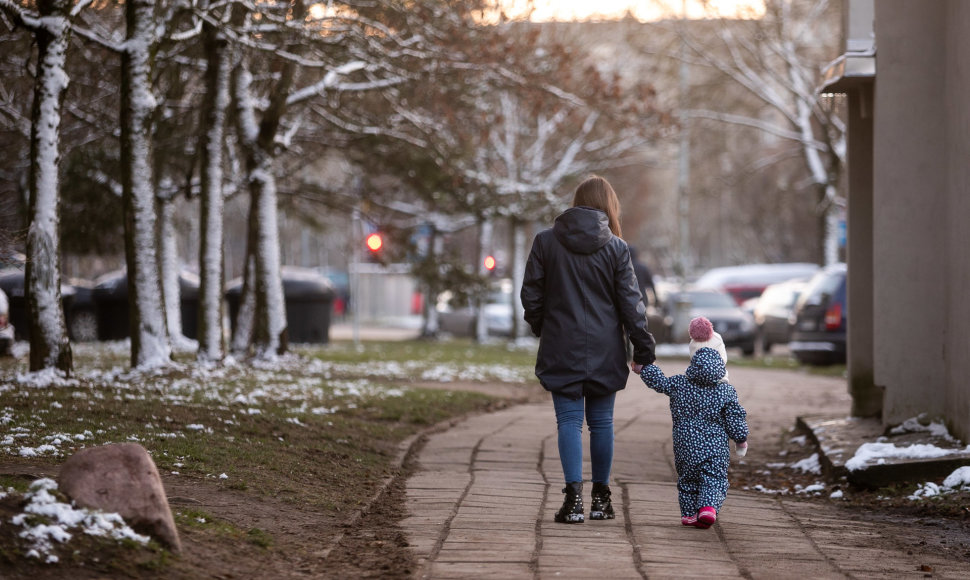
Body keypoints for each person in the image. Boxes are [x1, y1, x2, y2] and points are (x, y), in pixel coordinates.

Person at [521, 175, 656, 524]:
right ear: (609, 205)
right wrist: (643, 349)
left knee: (568, 421)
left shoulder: (546, 242)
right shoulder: (617, 248)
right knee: (602, 423)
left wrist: (543, 327)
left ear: (576, 201)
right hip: (605, 349)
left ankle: (573, 501)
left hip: (560, 345)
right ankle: (601, 498)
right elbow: (632, 304)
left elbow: (531, 295)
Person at [632, 348, 748, 528]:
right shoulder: (726, 391)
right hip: (715, 448)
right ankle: (707, 508)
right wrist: (741, 438)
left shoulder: (680, 383)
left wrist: (645, 368)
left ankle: (689, 514)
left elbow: (660, 382)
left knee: (688, 479)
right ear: (720, 369)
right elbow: (734, 417)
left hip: (685, 445)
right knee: (714, 479)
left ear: (693, 365)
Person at [688, 316, 729, 382]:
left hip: (698, 379)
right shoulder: (717, 337)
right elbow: (723, 358)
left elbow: (692, 360)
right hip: (720, 377)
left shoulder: (693, 343)